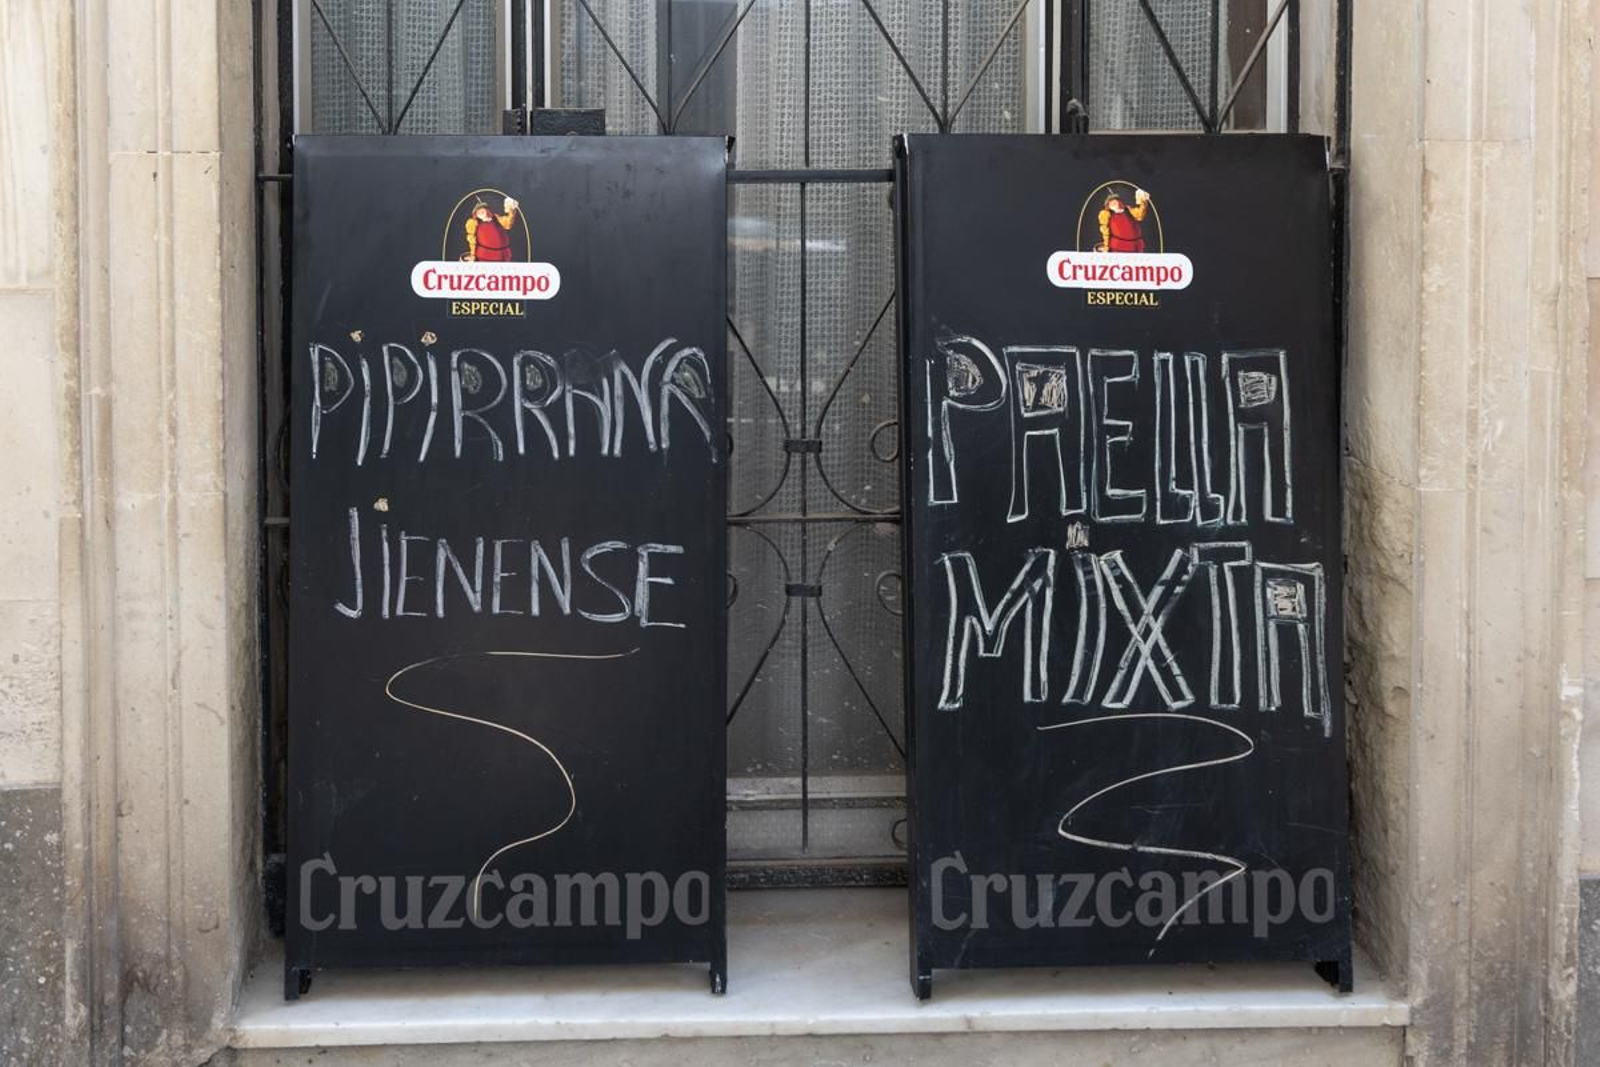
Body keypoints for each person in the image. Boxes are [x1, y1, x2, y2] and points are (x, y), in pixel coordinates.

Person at [463, 196, 519, 262]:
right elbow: (472, 241)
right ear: (476, 215)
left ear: (487, 210)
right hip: (484, 257)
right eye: (478, 212)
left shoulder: (496, 218)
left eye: (482, 209)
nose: (480, 212)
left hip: (502, 256)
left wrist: (511, 210)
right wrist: (473, 255)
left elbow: (508, 223)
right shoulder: (475, 224)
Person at [1097, 187, 1151, 253]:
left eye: (1119, 202)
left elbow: (1140, 215)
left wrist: (1143, 201)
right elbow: (1105, 232)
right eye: (1114, 203)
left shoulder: (1129, 210)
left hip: (1135, 246)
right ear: (1109, 206)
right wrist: (1106, 246)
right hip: (1117, 247)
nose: (1118, 205)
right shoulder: (1107, 215)